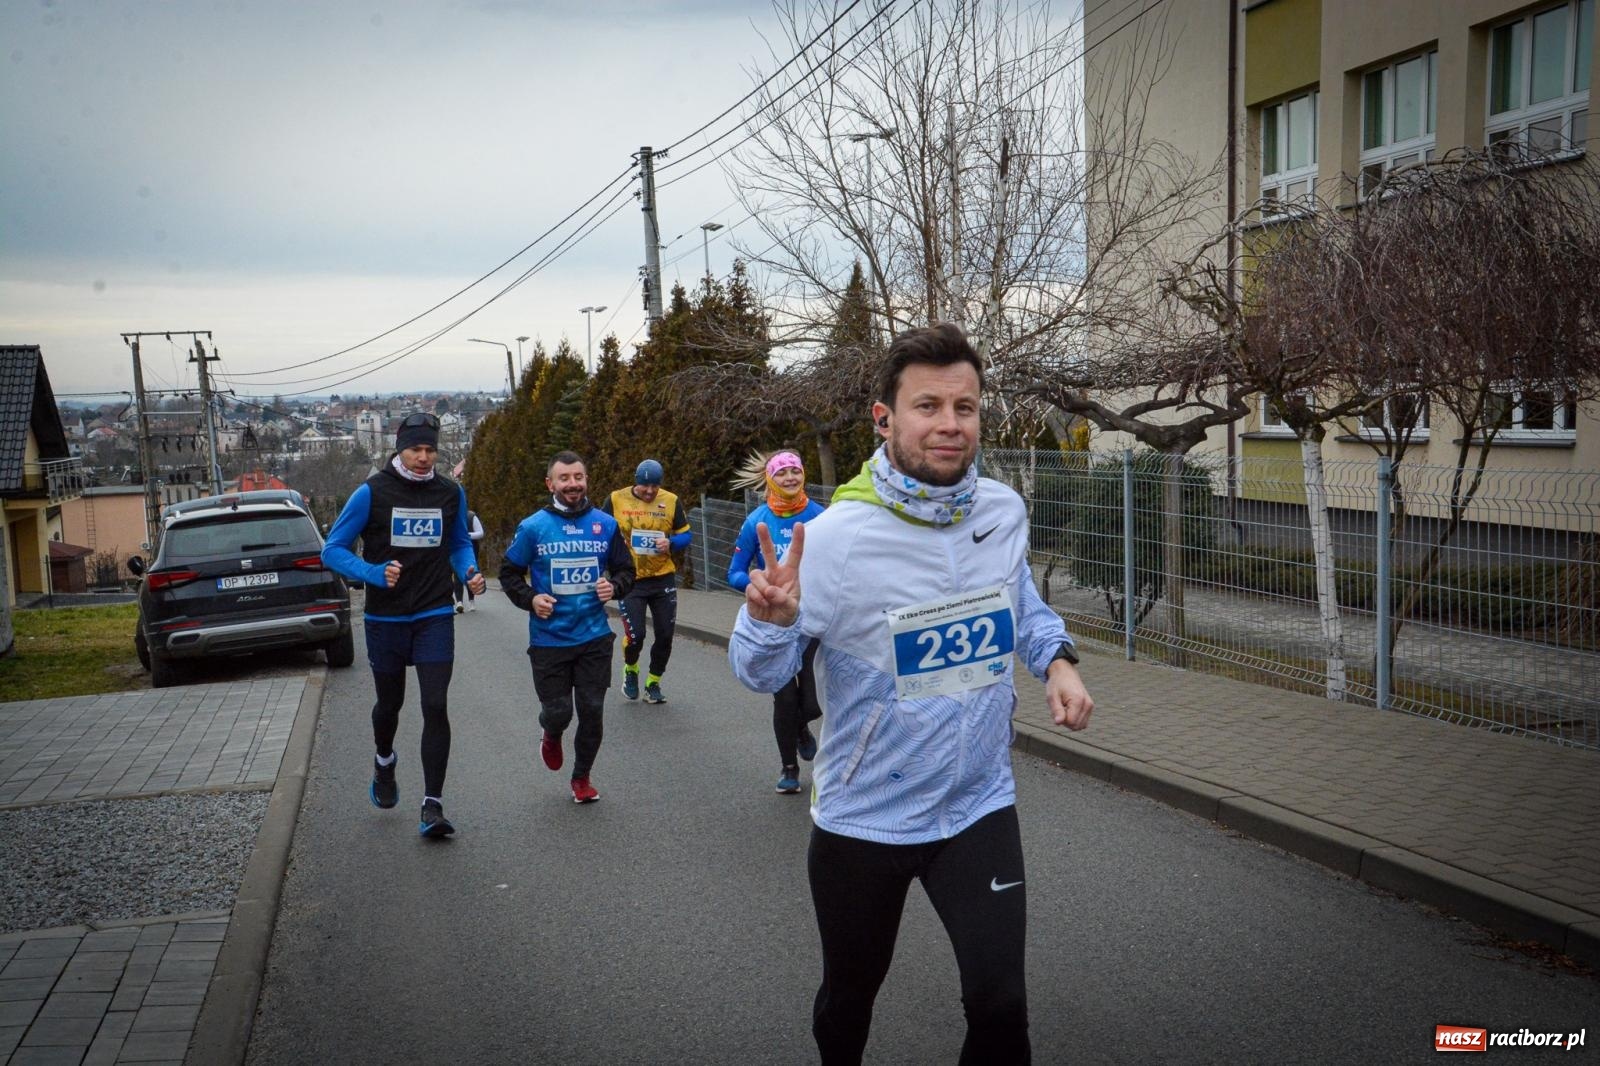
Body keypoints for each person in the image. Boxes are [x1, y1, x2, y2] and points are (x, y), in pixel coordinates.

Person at [728, 323, 1094, 1065]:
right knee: (848, 1006)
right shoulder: (836, 539)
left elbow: (1020, 603)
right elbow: (761, 675)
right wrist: (767, 622)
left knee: (1002, 1008)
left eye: (965, 407)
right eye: (927, 406)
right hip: (865, 819)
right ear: (884, 417)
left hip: (976, 803)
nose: (950, 425)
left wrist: (1057, 661)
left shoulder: (1001, 512)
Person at [322, 411, 485, 838]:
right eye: (416, 449)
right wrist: (372, 573)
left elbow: (460, 543)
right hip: (386, 617)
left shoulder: (450, 492)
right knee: (389, 706)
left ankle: (432, 805)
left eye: (430, 450)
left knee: (434, 705)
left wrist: (469, 572)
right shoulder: (371, 493)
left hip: (433, 611)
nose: (424, 458)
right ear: (400, 448)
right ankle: (384, 761)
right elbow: (332, 550)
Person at [500, 451, 635, 804]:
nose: (573, 484)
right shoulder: (533, 527)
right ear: (551, 484)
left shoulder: (605, 525)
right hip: (549, 640)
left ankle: (581, 778)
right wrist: (531, 599)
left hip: (594, 637)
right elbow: (508, 574)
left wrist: (615, 587)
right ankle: (551, 731)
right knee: (560, 711)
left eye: (578, 477)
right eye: (565, 478)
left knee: (592, 710)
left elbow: (626, 571)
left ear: (586, 480)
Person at [727, 450, 825, 795]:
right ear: (770, 479)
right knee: (784, 699)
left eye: (795, 471)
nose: (789, 478)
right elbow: (734, 573)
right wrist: (759, 586)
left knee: (812, 703)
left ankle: (801, 727)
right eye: (781, 473)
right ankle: (789, 767)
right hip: (774, 625)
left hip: (812, 621)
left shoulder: (820, 516)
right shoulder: (757, 521)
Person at [601, 458, 691, 704]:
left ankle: (653, 682)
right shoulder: (616, 499)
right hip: (629, 579)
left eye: (655, 486)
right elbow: (598, 530)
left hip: (663, 578)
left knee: (665, 635)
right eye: (644, 486)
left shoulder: (671, 500)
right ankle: (631, 669)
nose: (650, 491)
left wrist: (670, 543)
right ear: (635, 482)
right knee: (636, 635)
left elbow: (686, 535)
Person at [452, 509, 486, 612]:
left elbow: (480, 533)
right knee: (457, 574)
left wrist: (466, 535)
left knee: (471, 574)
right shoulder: (451, 515)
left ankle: (471, 601)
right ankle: (459, 602)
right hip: (455, 550)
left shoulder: (471, 516)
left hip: (471, 549)